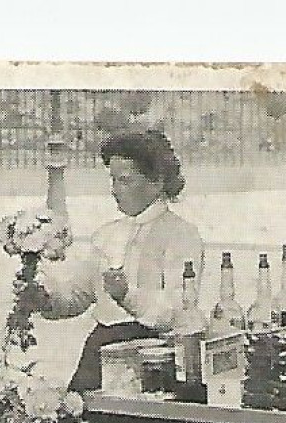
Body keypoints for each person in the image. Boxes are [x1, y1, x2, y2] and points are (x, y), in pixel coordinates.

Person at [31, 129, 205, 392]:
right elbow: (78, 296)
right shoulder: (106, 235)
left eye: (125, 181)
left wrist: (126, 295)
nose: (114, 191)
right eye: (112, 180)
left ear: (157, 182)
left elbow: (177, 310)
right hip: (100, 352)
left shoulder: (182, 235)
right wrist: (44, 298)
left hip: (154, 357)